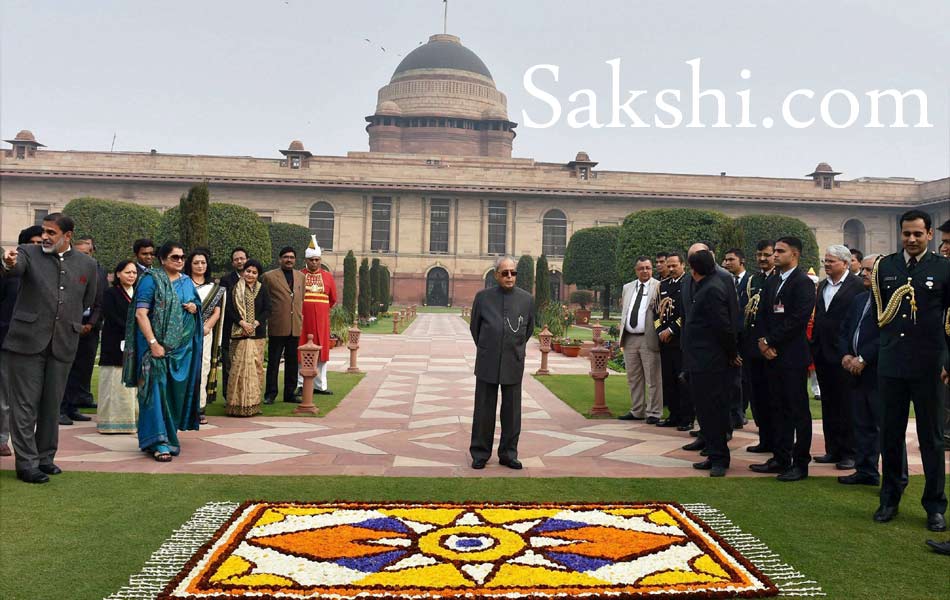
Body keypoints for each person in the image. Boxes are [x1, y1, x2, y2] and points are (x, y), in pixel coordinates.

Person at [1, 213, 98, 483]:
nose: (45, 236)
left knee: (51, 405)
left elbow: (87, 299)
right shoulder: (28, 252)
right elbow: (14, 267)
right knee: (24, 405)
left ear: (67, 236)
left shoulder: (87, 264)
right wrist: (8, 262)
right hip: (26, 341)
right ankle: (27, 463)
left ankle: (45, 458)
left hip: (64, 342)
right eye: (44, 231)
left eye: (51, 232)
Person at [873, 210, 948, 533]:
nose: (912, 240)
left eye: (918, 234)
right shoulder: (885, 266)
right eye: (906, 234)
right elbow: (879, 315)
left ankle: (934, 505)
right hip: (892, 363)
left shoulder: (944, 268)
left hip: (929, 365)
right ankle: (889, 498)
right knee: (890, 434)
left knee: (930, 438)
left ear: (929, 234)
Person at [123, 241, 202, 462]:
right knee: (154, 393)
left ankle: (168, 435)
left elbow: (196, 306)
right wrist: (153, 343)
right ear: (163, 259)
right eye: (175, 257)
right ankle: (157, 442)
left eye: (182, 257)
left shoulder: (186, 282)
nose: (179, 261)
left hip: (183, 352)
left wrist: (195, 308)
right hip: (155, 349)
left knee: (173, 396)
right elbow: (141, 314)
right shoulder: (151, 280)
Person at [837, 254, 907, 487]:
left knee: (888, 428)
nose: (864, 274)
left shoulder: (892, 301)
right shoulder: (860, 299)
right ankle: (866, 471)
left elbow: (888, 336)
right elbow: (846, 329)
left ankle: (897, 478)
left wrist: (864, 358)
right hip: (856, 373)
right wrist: (846, 355)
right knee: (862, 424)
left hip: (879, 372)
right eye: (864, 270)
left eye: (869, 270)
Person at [750, 237, 816, 482]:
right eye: (774, 251)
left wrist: (770, 341)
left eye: (780, 251)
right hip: (772, 355)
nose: (774, 255)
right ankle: (780, 457)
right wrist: (762, 342)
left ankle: (800, 463)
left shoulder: (803, 283)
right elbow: (763, 314)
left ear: (795, 254)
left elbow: (797, 319)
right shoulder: (773, 280)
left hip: (792, 356)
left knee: (797, 411)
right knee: (776, 408)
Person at [469, 255, 535, 470]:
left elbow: (528, 330)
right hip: (488, 359)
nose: (509, 277)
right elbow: (475, 329)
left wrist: (511, 346)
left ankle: (508, 454)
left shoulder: (526, 300)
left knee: (512, 411)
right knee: (483, 410)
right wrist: (490, 346)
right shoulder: (483, 298)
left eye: (513, 273)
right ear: (496, 275)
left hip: (513, 360)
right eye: (505, 273)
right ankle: (480, 453)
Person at [682, 250, 739, 477]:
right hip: (699, 359)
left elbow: (723, 327)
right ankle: (713, 453)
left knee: (715, 411)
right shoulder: (704, 286)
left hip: (712, 361)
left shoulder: (713, 290)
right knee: (705, 411)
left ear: (693, 269)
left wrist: (731, 353)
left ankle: (720, 459)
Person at [811, 244, 865, 470]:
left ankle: (850, 452)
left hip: (844, 354)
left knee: (847, 405)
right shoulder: (823, 285)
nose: (826, 264)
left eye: (831, 261)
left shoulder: (857, 286)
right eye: (825, 260)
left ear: (845, 263)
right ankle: (833, 449)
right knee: (829, 404)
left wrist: (851, 352)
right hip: (823, 353)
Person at [0, 225, 44, 458]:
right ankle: (1, 438)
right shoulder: (9, 271)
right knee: (5, 395)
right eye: (34, 243)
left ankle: (30, 443)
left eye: (41, 243)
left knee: (30, 396)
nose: (39, 247)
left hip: (35, 342)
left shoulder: (46, 272)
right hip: (7, 339)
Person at [59, 236, 109, 424]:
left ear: (92, 253)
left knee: (82, 369)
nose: (83, 257)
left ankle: (73, 406)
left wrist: (91, 324)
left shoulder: (99, 271)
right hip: (68, 325)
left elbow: (100, 299)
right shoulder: (65, 269)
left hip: (90, 326)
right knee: (65, 368)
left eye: (87, 253)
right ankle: (60, 408)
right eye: (79, 253)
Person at [617, 256, 662, 423]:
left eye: (648, 268)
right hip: (629, 338)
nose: (645, 271)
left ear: (652, 269)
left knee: (652, 378)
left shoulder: (658, 286)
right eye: (641, 268)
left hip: (648, 337)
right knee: (633, 377)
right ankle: (637, 411)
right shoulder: (627, 287)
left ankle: (654, 412)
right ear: (636, 271)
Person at [96, 260, 138, 434]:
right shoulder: (110, 293)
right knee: (114, 380)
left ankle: (132, 420)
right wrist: (131, 329)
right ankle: (110, 422)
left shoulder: (139, 293)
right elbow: (111, 316)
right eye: (128, 272)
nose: (131, 276)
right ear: (118, 274)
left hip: (134, 342)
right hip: (114, 341)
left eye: (134, 273)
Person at [741, 240, 775, 453]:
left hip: (770, 349)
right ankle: (764, 439)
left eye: (767, 255)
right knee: (757, 397)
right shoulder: (753, 280)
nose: (762, 259)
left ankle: (777, 441)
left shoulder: (777, 279)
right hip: (753, 348)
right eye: (759, 255)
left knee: (773, 398)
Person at [225, 259, 271, 417]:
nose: (250, 274)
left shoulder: (262, 289)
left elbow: (267, 309)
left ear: (258, 275)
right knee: (237, 368)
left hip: (257, 335)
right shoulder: (234, 289)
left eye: (254, 272)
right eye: (248, 271)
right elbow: (229, 309)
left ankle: (253, 404)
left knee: (255, 369)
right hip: (239, 333)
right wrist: (242, 323)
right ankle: (235, 405)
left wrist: (255, 323)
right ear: (243, 272)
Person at [184, 248, 225, 422]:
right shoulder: (182, 284)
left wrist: (206, 327)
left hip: (204, 334)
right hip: (183, 333)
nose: (200, 266)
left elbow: (217, 311)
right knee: (184, 368)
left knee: (203, 367)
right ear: (190, 265)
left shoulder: (214, 288)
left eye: (203, 263)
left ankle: (199, 408)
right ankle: (182, 407)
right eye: (196, 263)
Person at [261, 246, 304, 404]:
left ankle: (290, 393)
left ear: (295, 259)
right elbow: (264, 299)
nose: (289, 260)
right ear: (280, 259)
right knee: (273, 361)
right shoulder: (269, 277)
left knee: (292, 362)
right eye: (286, 257)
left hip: (295, 326)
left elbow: (300, 299)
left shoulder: (300, 276)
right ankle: (270, 394)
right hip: (277, 324)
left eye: (292, 257)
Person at [297, 237, 337, 396]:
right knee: (301, 351)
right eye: (311, 260)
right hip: (303, 320)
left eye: (317, 259)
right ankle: (301, 385)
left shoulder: (328, 276)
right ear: (306, 260)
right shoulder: (299, 275)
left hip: (321, 322)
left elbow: (333, 299)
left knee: (321, 352)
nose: (314, 262)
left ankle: (321, 386)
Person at [654, 252, 689, 429]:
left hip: (680, 340)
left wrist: (671, 329)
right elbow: (656, 311)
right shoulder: (663, 285)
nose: (671, 269)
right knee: (668, 381)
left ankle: (686, 418)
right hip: (665, 341)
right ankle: (673, 415)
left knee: (682, 380)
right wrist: (660, 329)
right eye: (669, 265)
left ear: (683, 265)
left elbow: (688, 312)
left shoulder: (689, 283)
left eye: (675, 265)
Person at [722, 248, 751, 429]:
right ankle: (733, 413)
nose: (727, 263)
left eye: (731, 259)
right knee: (731, 379)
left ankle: (741, 412)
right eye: (725, 259)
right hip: (730, 337)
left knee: (743, 379)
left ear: (742, 261)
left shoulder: (750, 282)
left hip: (745, 337)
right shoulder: (725, 281)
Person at [219, 247, 248, 400]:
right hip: (230, 327)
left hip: (250, 329)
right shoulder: (226, 280)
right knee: (229, 363)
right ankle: (228, 395)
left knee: (246, 363)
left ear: (247, 260)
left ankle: (246, 396)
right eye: (236, 259)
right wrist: (240, 321)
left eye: (242, 258)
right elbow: (226, 305)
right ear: (233, 262)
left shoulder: (255, 278)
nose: (239, 261)